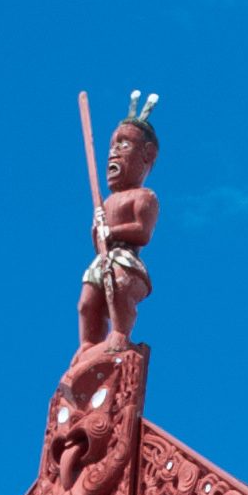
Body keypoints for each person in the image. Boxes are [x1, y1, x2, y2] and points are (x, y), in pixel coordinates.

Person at [79, 96, 160, 347]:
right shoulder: (106, 202)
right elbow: (97, 240)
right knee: (86, 303)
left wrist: (111, 231)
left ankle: (121, 332)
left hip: (124, 260)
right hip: (104, 257)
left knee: (119, 286)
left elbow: (142, 231)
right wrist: (98, 229)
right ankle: (89, 343)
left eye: (124, 145)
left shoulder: (144, 197)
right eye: (113, 145)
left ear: (146, 154)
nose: (113, 152)